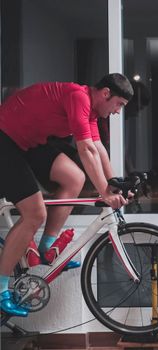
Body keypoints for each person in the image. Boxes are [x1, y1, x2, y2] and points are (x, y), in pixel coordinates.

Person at [0, 73, 133, 316]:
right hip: (5, 138)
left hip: (28, 142)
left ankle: (46, 250)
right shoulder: (78, 98)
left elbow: (97, 147)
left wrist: (115, 184)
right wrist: (104, 192)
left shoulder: (92, 109)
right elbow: (84, 150)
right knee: (34, 214)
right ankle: (0, 290)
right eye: (119, 105)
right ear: (106, 94)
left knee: (75, 178)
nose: (117, 112)